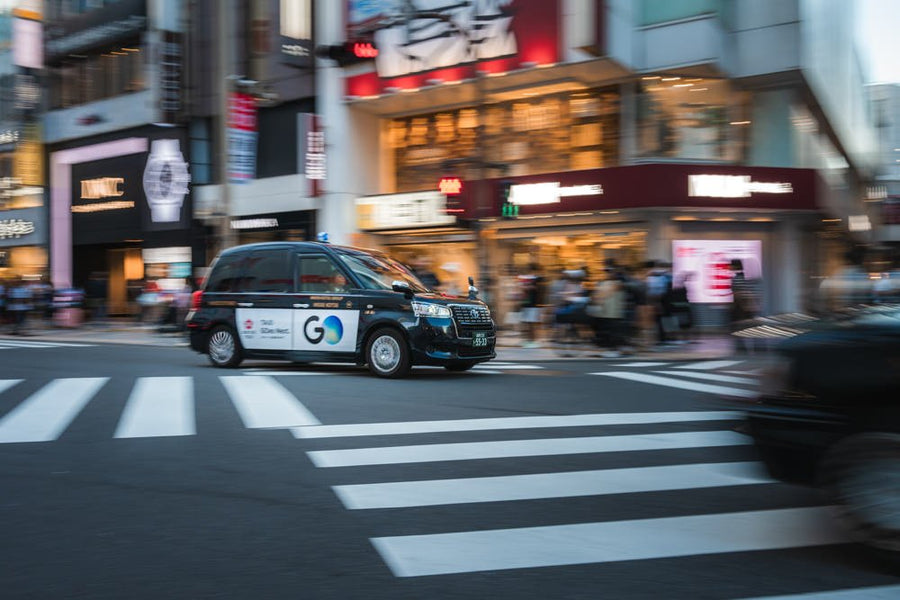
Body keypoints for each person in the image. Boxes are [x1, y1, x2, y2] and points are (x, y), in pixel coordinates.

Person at [518, 264, 546, 348]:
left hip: (533, 305)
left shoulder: (537, 279)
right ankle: (527, 340)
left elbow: (536, 289)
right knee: (526, 323)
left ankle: (533, 341)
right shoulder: (527, 279)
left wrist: (528, 286)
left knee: (531, 324)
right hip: (526, 304)